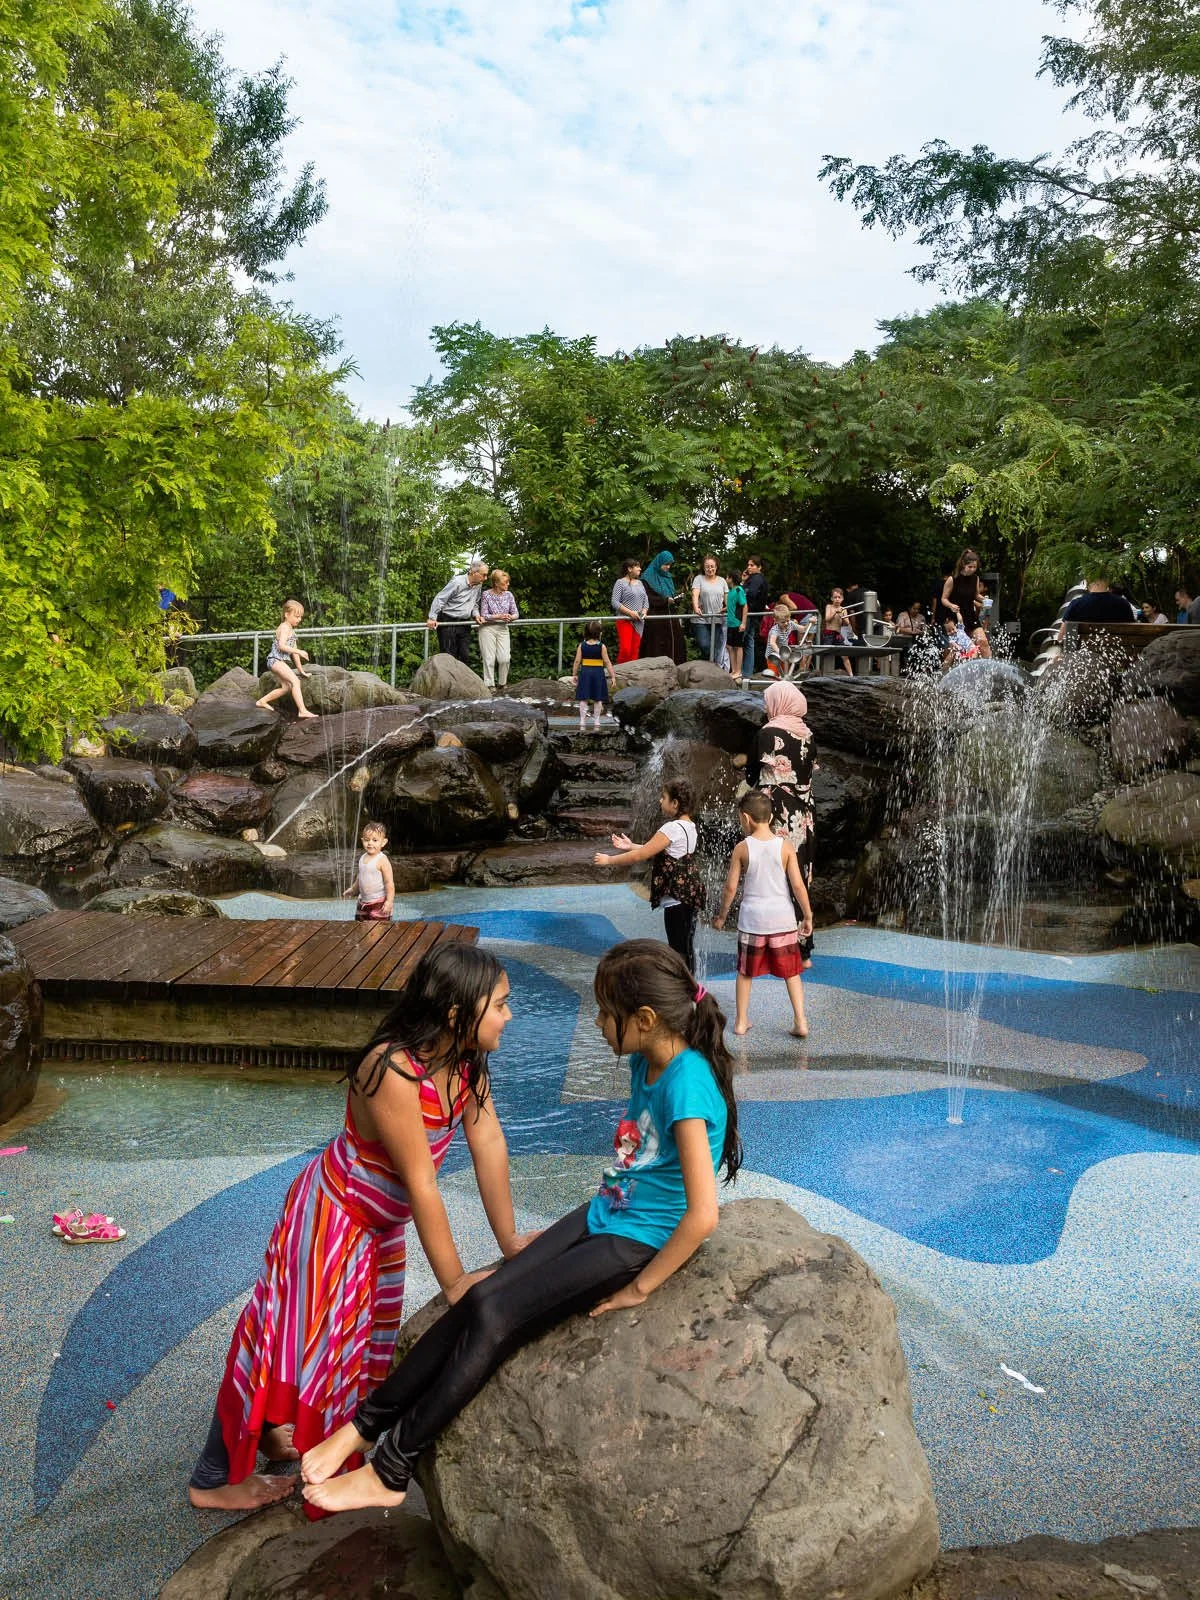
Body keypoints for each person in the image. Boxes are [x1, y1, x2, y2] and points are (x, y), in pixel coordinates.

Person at [298, 938, 741, 1514]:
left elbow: (702, 1214)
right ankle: (362, 1428)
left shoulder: (686, 1083)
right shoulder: (648, 1059)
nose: (597, 1024)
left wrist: (640, 1288)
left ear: (646, 1020)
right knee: (476, 1297)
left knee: (496, 1314)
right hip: (608, 1211)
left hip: (637, 1241)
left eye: (605, 1013)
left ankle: (391, 1468)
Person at [187, 944, 534, 1511]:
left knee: (352, 1351)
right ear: (456, 1015)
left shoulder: (466, 1063)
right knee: (281, 1339)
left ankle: (281, 1438)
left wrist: (510, 1240)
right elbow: (421, 1183)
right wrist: (454, 1284)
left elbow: (489, 1142)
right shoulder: (391, 1068)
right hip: (333, 1219)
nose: (508, 1016)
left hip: (379, 1229)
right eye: (499, 1005)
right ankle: (213, 1479)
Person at [713, 791, 813, 1039]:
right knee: (792, 971)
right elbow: (798, 886)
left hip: (752, 921)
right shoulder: (785, 846)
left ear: (745, 818)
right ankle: (800, 1021)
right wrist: (808, 916)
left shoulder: (742, 848)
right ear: (769, 818)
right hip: (782, 920)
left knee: (745, 972)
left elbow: (730, 888)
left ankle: (741, 1021)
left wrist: (722, 916)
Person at [592, 779, 705, 969]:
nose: (660, 801)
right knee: (685, 946)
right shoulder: (690, 827)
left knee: (677, 950)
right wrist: (630, 845)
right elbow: (661, 850)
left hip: (676, 898)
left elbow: (641, 855)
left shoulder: (672, 828)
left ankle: (683, 984)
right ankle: (690, 983)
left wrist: (609, 860)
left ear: (675, 803)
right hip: (690, 895)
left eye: (664, 797)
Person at [744, 679, 818, 968]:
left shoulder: (767, 733)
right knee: (800, 876)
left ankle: (771, 949)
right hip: (804, 815)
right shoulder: (808, 735)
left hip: (774, 813)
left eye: (768, 701)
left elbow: (752, 773)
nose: (766, 707)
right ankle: (803, 949)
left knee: (771, 877)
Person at [256, 600, 319, 719]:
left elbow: (294, 653)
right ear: (286, 614)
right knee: (296, 682)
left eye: (300, 617)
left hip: (277, 662)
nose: (299, 619)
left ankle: (262, 701)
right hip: (275, 660)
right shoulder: (284, 627)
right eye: (296, 616)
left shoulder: (292, 631)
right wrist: (299, 651)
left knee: (287, 687)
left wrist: (301, 670)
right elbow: (281, 646)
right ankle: (302, 710)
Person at [427, 561, 489, 665]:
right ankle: (446, 676)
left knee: (464, 656)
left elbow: (475, 603)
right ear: (474, 572)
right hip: (448, 620)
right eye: (484, 575)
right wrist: (432, 618)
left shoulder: (479, 585)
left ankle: (461, 676)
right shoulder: (457, 582)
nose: (486, 578)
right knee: (448, 656)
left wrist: (476, 615)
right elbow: (440, 599)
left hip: (464, 623)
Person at [939, 550, 992, 660]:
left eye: (974, 567)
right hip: (955, 618)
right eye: (970, 567)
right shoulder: (952, 579)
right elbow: (943, 599)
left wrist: (985, 600)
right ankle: (945, 670)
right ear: (963, 564)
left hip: (971, 616)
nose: (972, 569)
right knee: (955, 650)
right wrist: (951, 606)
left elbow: (975, 595)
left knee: (983, 642)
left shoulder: (975, 578)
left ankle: (988, 668)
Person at [1054, 577, 1139, 641]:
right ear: (1107, 581)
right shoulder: (1123, 604)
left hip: (1083, 655)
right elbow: (1131, 633)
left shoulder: (1076, 604)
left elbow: (1061, 637)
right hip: (1116, 654)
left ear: (1088, 581)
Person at [639, 551, 687, 663]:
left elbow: (670, 594)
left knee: (675, 642)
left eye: (670, 565)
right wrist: (665, 601)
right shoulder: (647, 577)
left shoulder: (667, 577)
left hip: (670, 617)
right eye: (666, 564)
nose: (668, 567)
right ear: (659, 562)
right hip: (655, 617)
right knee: (656, 645)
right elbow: (647, 597)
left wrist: (676, 598)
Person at [475, 569, 519, 691]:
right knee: (489, 658)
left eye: (508, 582)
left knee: (504, 658)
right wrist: (499, 616)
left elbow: (516, 613)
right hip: (487, 628)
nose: (508, 584)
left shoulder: (509, 595)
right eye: (505, 582)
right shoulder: (486, 594)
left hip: (502, 628)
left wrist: (511, 617)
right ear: (496, 583)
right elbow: (484, 614)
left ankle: (502, 683)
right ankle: (489, 685)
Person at [344, 821, 395, 922]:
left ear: (383, 842)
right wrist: (353, 889)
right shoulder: (362, 858)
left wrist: (389, 901)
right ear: (362, 840)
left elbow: (389, 883)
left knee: (377, 928)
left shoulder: (382, 860)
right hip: (362, 902)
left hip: (378, 903)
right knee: (360, 926)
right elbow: (360, 877)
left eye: (375, 840)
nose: (370, 843)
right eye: (367, 840)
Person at [572, 620, 616, 731]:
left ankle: (582, 720)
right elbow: (607, 662)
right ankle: (597, 721)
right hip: (598, 673)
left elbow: (577, 661)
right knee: (598, 698)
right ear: (599, 633)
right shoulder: (602, 646)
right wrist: (613, 676)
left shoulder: (582, 646)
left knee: (583, 698)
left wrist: (574, 674)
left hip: (585, 672)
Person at [691, 556, 728, 664]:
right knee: (705, 645)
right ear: (703, 568)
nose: (710, 569)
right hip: (701, 618)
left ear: (716, 567)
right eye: (707, 566)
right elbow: (695, 594)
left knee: (715, 648)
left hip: (717, 619)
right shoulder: (699, 579)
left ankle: (712, 669)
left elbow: (727, 598)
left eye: (712, 566)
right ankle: (706, 667)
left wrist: (728, 607)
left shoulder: (722, 581)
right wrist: (696, 607)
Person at [611, 559, 649, 664]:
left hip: (639, 621)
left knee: (635, 650)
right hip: (625, 620)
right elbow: (615, 602)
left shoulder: (640, 583)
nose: (640, 569)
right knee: (626, 650)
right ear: (629, 569)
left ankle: (633, 673)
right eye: (637, 566)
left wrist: (644, 611)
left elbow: (646, 600)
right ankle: (619, 672)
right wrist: (630, 613)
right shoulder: (620, 583)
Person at [741, 556, 769, 684]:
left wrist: (742, 588)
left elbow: (750, 593)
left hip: (749, 614)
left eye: (752, 565)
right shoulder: (756, 578)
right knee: (749, 642)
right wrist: (744, 581)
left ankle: (740, 672)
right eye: (748, 565)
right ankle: (746, 674)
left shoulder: (756, 578)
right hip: (754, 615)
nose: (749, 567)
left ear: (759, 567)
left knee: (739, 643)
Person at [764, 601, 807, 679]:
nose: (786, 623)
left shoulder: (790, 624)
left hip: (784, 655)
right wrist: (779, 652)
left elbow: (802, 629)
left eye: (787, 620)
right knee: (774, 676)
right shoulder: (775, 630)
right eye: (783, 622)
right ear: (776, 620)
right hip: (773, 656)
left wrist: (810, 623)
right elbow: (772, 643)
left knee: (785, 676)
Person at [822, 588, 856, 678]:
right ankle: (825, 674)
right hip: (828, 634)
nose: (837, 599)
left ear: (842, 599)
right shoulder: (829, 607)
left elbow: (847, 623)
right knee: (827, 654)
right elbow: (827, 619)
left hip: (838, 634)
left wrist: (842, 616)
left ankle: (851, 675)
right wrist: (835, 613)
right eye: (835, 597)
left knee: (844, 655)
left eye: (839, 597)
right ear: (831, 598)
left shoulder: (843, 609)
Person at [725, 571, 747, 679]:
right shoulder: (730, 591)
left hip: (737, 623)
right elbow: (733, 604)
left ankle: (738, 671)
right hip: (730, 623)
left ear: (731, 578)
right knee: (729, 646)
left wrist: (743, 623)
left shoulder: (739, 590)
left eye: (727, 577)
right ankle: (733, 670)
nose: (726, 579)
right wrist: (724, 609)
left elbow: (744, 606)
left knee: (738, 647)